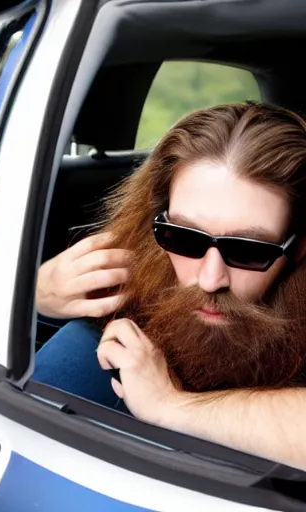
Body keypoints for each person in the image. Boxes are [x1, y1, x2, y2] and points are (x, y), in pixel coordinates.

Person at [34, 102, 306, 469]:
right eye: (184, 238)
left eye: (249, 250)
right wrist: (33, 299)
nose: (210, 279)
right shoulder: (105, 337)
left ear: (299, 247)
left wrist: (172, 407)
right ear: (155, 221)